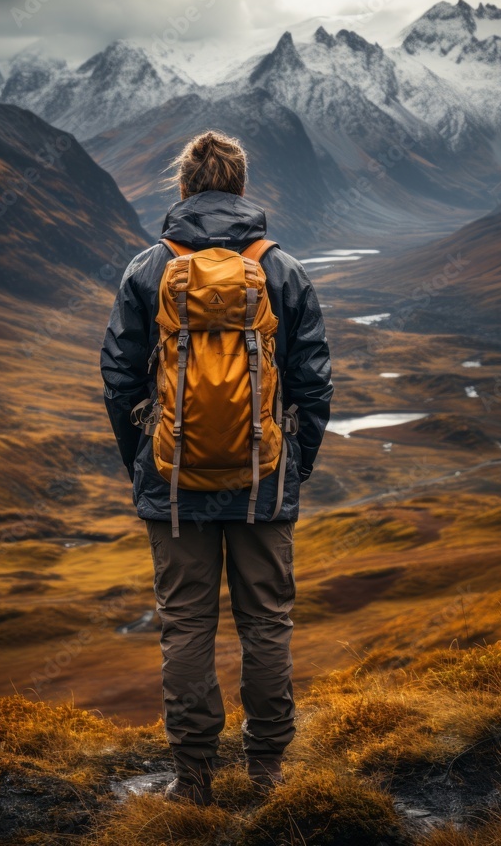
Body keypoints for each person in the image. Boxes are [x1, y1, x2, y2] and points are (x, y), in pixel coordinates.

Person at [100, 130, 333, 806]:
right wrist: (295, 465)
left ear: (182, 187)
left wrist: (144, 460)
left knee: (185, 625)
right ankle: (266, 772)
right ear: (239, 186)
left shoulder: (148, 269)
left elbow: (119, 378)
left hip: (172, 483)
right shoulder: (280, 268)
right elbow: (313, 381)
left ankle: (193, 778)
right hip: (263, 480)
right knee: (266, 624)